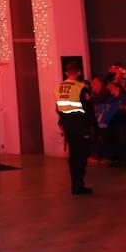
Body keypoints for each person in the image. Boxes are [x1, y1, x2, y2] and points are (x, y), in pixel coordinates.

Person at [55, 62, 94, 195]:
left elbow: (58, 108)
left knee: (73, 155)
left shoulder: (59, 88)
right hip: (80, 124)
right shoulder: (80, 87)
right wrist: (92, 126)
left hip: (67, 124)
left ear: (66, 73)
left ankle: (75, 184)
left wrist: (62, 121)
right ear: (78, 73)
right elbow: (88, 109)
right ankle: (79, 185)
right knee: (82, 155)